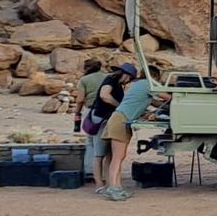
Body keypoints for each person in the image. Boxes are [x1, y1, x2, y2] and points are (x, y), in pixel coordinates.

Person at [99, 69, 169, 201]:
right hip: (120, 120)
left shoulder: (138, 85)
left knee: (120, 156)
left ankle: (117, 187)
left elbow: (150, 102)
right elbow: (167, 97)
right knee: (117, 158)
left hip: (122, 119)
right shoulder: (147, 84)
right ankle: (113, 188)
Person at [90, 62, 138, 196]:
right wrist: (119, 106)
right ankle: (99, 184)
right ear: (125, 75)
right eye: (129, 78)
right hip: (101, 119)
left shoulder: (117, 85)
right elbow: (104, 95)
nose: (129, 81)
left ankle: (110, 183)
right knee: (99, 153)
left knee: (110, 154)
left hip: (109, 119)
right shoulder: (110, 80)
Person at [72, 58, 109, 187]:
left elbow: (80, 99)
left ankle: (90, 172)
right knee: (106, 141)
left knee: (91, 141)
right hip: (108, 111)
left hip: (91, 111)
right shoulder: (107, 77)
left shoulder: (84, 80)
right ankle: (106, 173)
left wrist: (77, 113)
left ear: (87, 68)